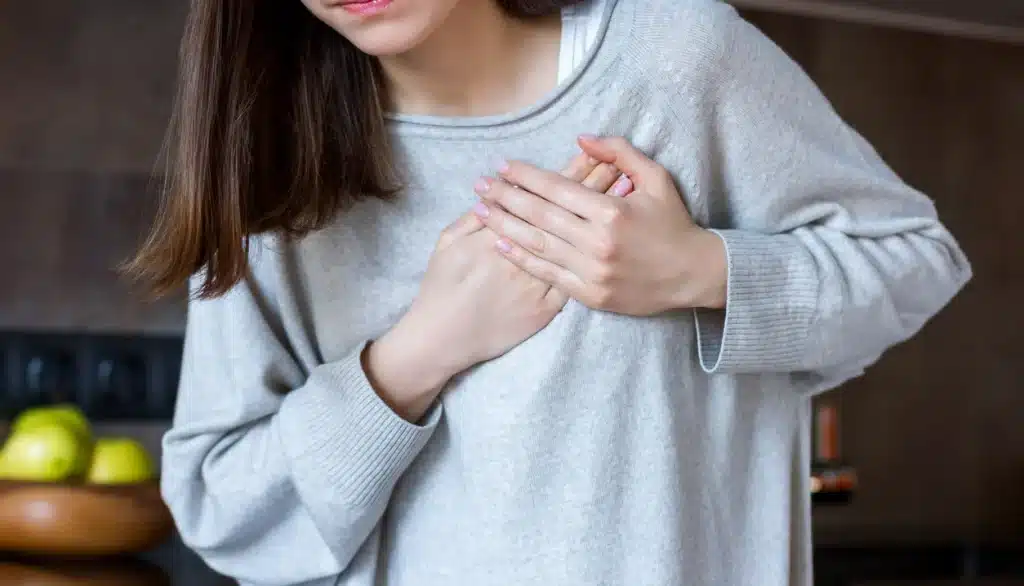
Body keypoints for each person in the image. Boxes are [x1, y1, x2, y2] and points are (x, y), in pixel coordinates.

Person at [126, 0, 972, 584]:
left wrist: (697, 270)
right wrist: (417, 355)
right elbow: (219, 505)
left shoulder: (678, 58)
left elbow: (912, 260)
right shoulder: (270, 161)